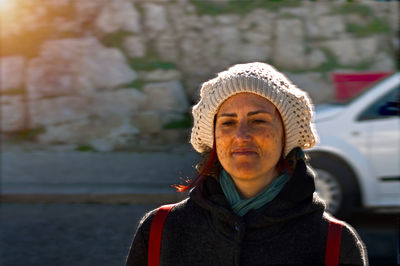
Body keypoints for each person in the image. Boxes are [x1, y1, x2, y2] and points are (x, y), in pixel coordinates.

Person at [126, 62, 368, 265]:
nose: (241, 135)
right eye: (228, 123)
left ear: (286, 136)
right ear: (213, 138)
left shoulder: (335, 244)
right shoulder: (159, 231)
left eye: (259, 121)